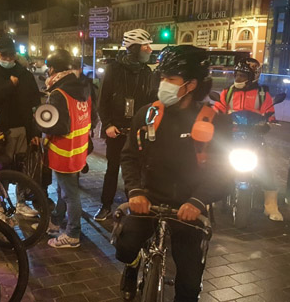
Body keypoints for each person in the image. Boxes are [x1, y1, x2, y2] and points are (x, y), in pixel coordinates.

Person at [114, 45, 231, 302]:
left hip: (190, 207)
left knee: (189, 284)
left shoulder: (215, 121)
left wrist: (198, 202)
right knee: (124, 249)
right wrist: (135, 191)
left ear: (192, 84)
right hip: (148, 199)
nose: (163, 84)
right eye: (162, 77)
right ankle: (134, 267)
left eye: (171, 79)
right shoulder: (147, 114)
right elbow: (130, 156)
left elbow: (223, 170)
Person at [95, 29, 158, 221]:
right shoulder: (113, 69)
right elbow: (102, 100)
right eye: (145, 46)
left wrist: (149, 123)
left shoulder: (147, 72)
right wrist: (107, 125)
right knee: (112, 169)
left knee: (139, 171)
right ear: (134, 48)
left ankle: (135, 204)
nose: (149, 49)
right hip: (117, 131)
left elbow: (152, 101)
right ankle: (106, 205)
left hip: (139, 131)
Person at [37, 49, 97, 248]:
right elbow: (93, 118)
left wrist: (39, 122)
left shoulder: (58, 92)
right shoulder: (84, 87)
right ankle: (55, 221)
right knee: (64, 189)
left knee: (70, 194)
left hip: (63, 151)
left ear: (52, 68)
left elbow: (58, 126)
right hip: (79, 149)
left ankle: (72, 234)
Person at [0, 36, 42, 218]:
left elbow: (34, 105)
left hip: (22, 129)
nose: (7, 59)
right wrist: (9, 86)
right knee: (0, 170)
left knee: (23, 168)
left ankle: (21, 202)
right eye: (3, 55)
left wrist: (35, 131)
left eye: (11, 55)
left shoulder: (25, 75)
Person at [213, 58, 284, 221]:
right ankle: (211, 196)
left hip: (254, 137)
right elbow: (219, 108)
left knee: (265, 168)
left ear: (252, 77)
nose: (238, 79)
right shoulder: (228, 92)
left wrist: (269, 122)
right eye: (236, 75)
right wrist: (215, 118)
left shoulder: (262, 93)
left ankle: (271, 206)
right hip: (232, 136)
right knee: (215, 162)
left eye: (242, 76)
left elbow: (269, 111)